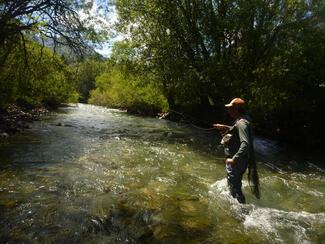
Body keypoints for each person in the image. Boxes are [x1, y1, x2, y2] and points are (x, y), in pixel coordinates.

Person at [213, 98, 260, 204]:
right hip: (242, 160)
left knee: (235, 190)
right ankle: (237, 206)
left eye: (231, 109)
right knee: (234, 186)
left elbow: (246, 143)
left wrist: (234, 159)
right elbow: (238, 129)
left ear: (237, 109)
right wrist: (224, 127)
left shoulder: (241, 123)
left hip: (237, 162)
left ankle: (242, 213)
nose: (229, 111)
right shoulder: (245, 119)